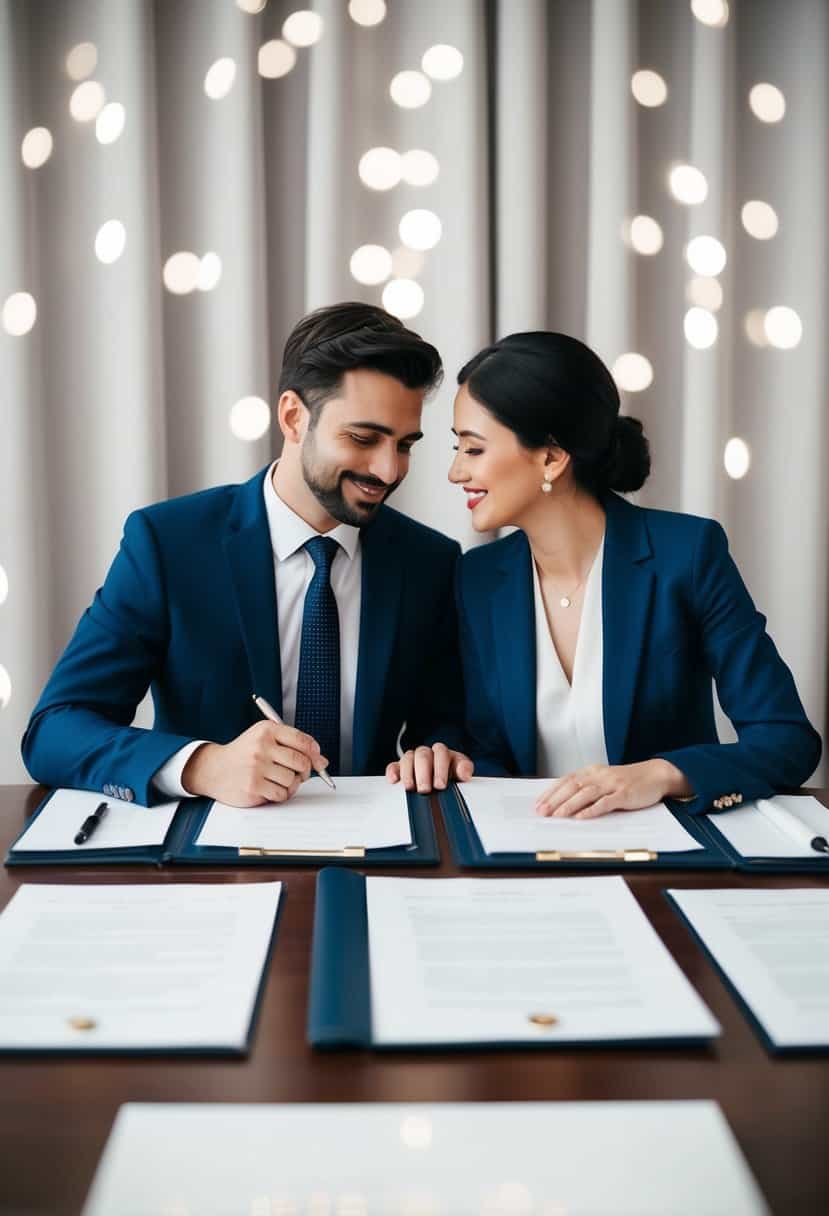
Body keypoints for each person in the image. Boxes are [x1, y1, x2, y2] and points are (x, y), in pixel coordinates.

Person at [23, 303, 473, 807]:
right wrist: (200, 765)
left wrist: (438, 751)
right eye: (363, 438)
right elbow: (55, 730)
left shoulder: (430, 561)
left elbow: (444, 721)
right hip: (208, 864)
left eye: (405, 444)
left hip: (376, 856)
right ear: (293, 416)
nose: (388, 470)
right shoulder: (168, 544)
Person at [449, 331, 820, 818]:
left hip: (667, 857)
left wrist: (664, 773)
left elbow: (787, 739)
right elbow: (486, 748)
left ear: (552, 457)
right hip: (525, 854)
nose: (456, 472)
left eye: (473, 450)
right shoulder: (477, 576)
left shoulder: (687, 554)